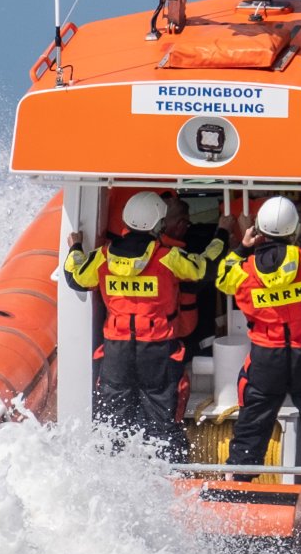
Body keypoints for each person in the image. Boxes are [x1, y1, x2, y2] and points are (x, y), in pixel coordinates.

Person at [63, 190, 220, 461]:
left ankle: (111, 470)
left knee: (113, 419)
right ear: (159, 224)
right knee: (162, 419)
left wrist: (76, 247)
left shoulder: (103, 256)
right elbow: (204, 269)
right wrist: (222, 237)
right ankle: (169, 472)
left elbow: (75, 277)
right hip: (157, 350)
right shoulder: (169, 257)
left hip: (117, 351)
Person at [215, 194, 301, 475]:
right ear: (295, 230)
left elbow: (222, 277)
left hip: (266, 360)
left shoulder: (242, 273)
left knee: (251, 430)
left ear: (258, 231)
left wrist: (243, 248)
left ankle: (237, 490)